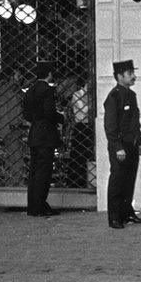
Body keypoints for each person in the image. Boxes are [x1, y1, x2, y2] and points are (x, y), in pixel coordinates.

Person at [103, 60, 141, 229]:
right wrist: (117, 147)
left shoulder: (130, 95)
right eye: (130, 74)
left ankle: (127, 213)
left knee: (129, 181)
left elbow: (135, 123)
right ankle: (114, 217)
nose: (133, 76)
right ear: (120, 76)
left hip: (132, 145)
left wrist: (140, 142)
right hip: (120, 146)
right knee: (117, 181)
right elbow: (110, 125)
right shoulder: (114, 96)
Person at [22, 60, 64, 216]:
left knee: (34, 171)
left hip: (34, 133)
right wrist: (61, 118)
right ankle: (40, 205)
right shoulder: (48, 91)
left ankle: (33, 205)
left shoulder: (30, 91)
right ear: (50, 74)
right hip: (46, 135)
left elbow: (26, 114)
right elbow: (49, 112)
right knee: (44, 172)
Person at [68, 75, 93, 188]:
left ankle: (87, 180)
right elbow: (84, 111)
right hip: (80, 126)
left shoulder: (91, 96)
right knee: (78, 155)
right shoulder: (76, 95)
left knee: (88, 154)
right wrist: (91, 102)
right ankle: (76, 181)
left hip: (88, 126)